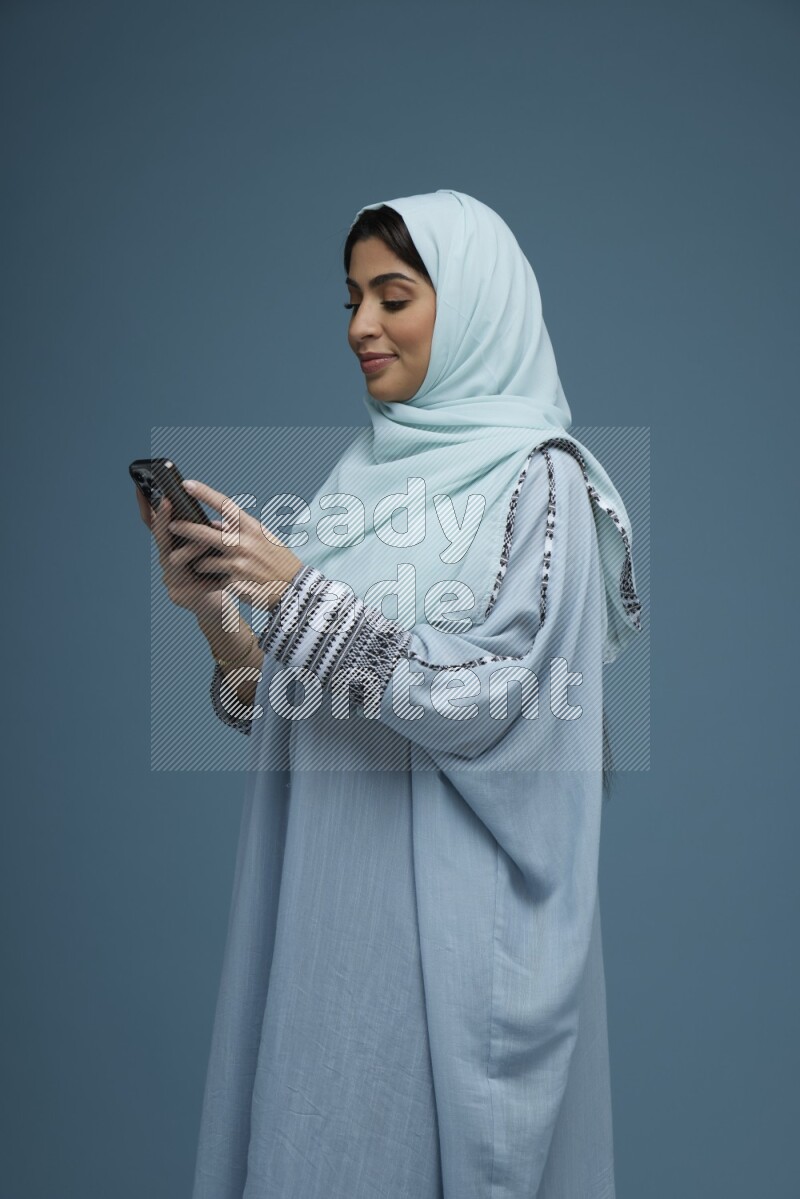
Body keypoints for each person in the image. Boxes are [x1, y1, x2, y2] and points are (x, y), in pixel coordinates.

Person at [135, 189, 643, 1198]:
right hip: (321, 921)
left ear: (475, 307)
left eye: (394, 294)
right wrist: (215, 611)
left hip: (438, 936)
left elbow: (491, 695)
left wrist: (293, 587)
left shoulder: (542, 482)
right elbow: (288, 697)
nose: (362, 325)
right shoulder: (362, 480)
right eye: (352, 299)